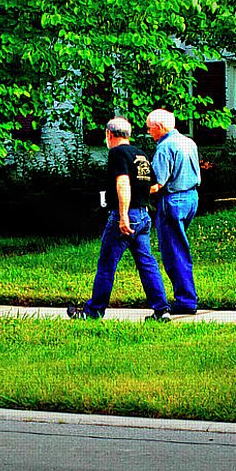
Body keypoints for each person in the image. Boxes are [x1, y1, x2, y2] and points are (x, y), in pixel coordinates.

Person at [67, 117, 172, 322]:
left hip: (125, 216)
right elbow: (152, 185)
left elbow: (123, 183)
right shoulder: (140, 153)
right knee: (147, 262)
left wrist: (123, 215)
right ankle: (162, 309)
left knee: (107, 263)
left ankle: (93, 312)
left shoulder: (117, 153)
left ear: (109, 134)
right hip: (143, 214)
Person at [146, 108, 201, 315]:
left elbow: (157, 183)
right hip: (191, 197)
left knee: (174, 252)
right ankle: (187, 295)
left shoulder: (165, 147)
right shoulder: (188, 142)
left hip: (172, 200)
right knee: (180, 247)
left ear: (160, 127)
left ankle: (186, 300)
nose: (149, 132)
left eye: (150, 128)